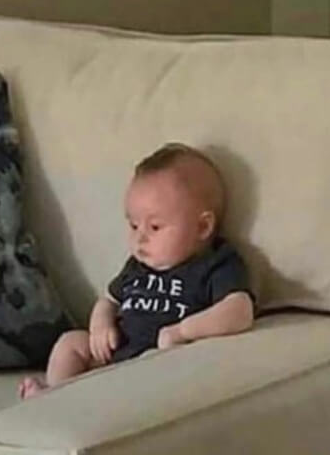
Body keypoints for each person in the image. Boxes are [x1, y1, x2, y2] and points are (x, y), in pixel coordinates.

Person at [18, 142, 256, 400]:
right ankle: (54, 398)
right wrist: (100, 326)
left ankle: (71, 400)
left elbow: (239, 311)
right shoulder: (137, 266)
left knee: (155, 365)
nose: (139, 238)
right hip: (115, 353)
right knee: (71, 342)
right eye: (133, 225)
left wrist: (182, 332)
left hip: (158, 358)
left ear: (202, 227)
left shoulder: (215, 264)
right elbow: (109, 300)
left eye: (155, 227)